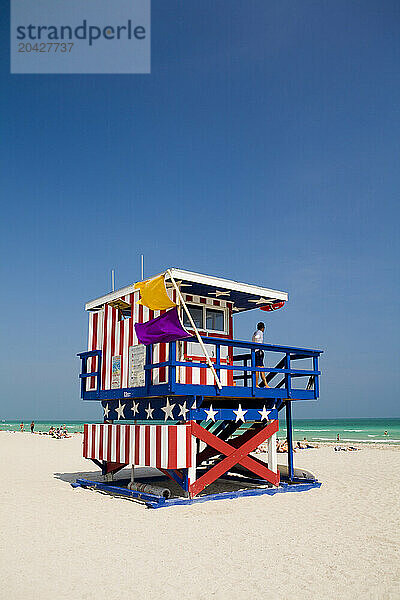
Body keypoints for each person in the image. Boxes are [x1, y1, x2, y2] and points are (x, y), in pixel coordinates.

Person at [252, 322, 268, 388]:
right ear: (262, 328)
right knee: (259, 368)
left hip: (256, 351)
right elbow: (256, 338)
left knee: (260, 367)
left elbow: (254, 338)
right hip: (259, 351)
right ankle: (257, 384)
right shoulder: (259, 332)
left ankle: (265, 384)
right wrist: (258, 344)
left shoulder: (255, 332)